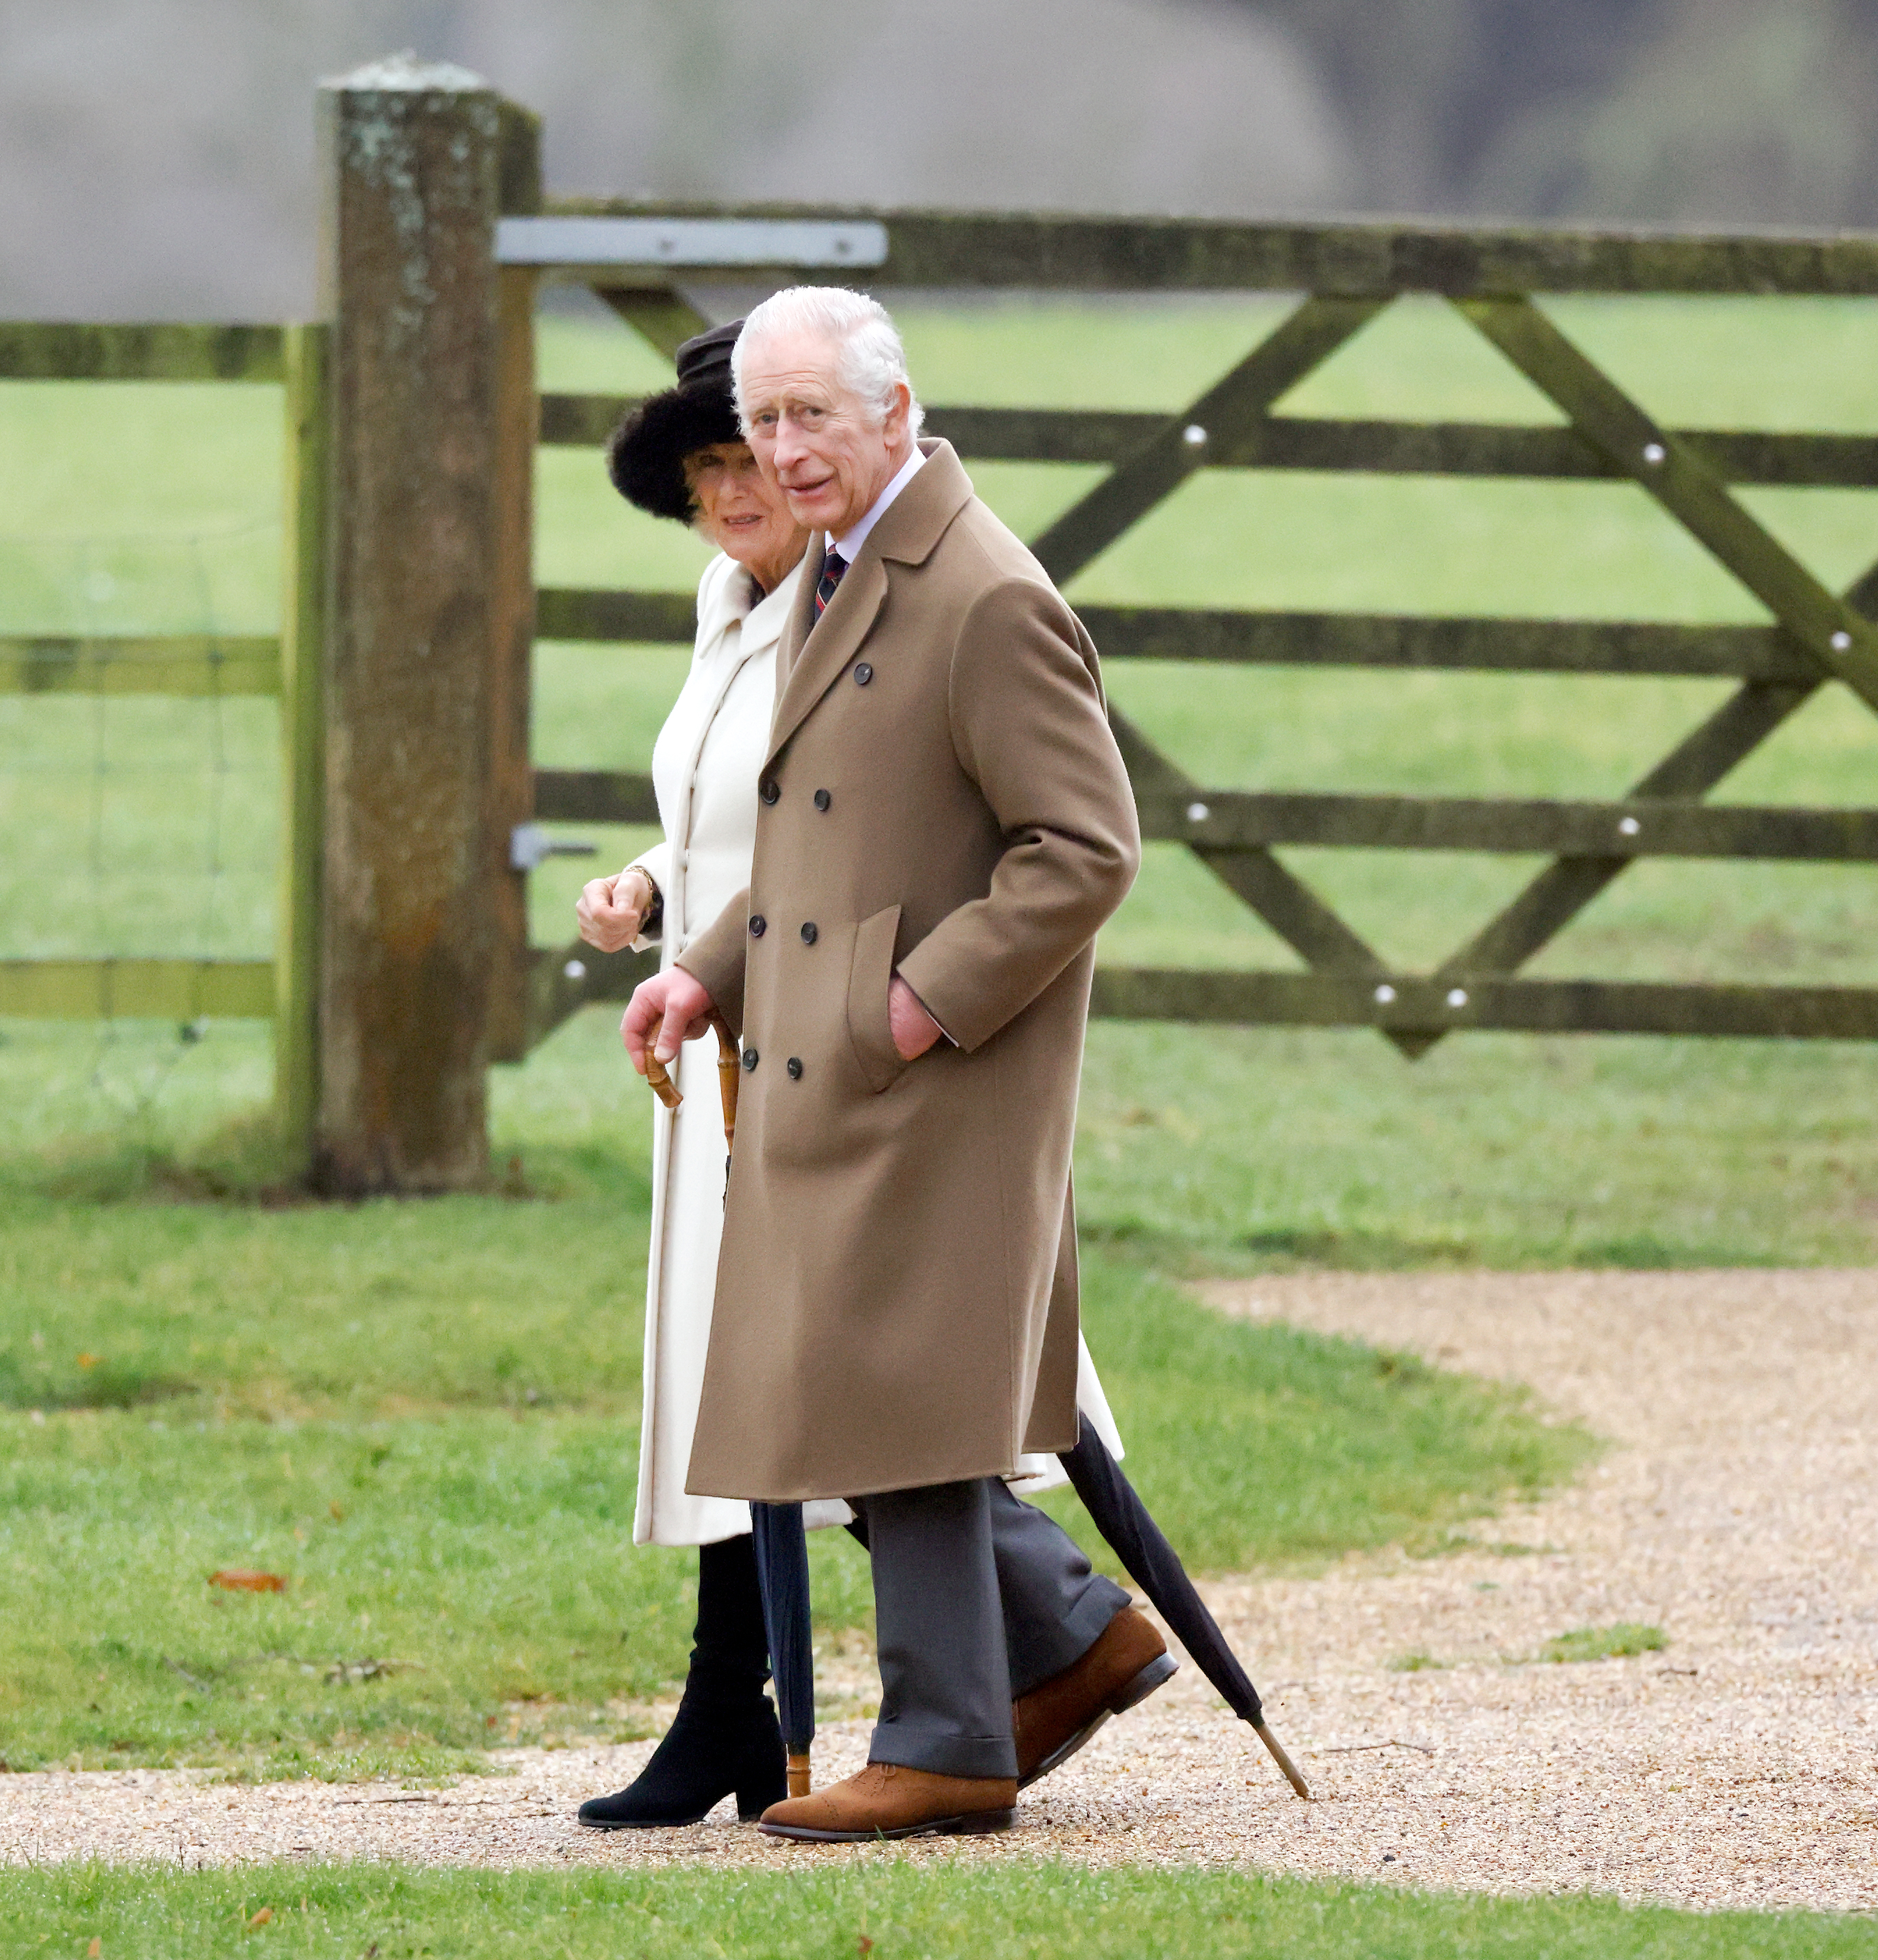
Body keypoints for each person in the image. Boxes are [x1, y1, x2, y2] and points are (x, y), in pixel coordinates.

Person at [621, 287, 1169, 1842]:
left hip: (932, 1064)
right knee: (839, 1370)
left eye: (809, 419)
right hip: (826, 1055)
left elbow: (1085, 846)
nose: (782, 452)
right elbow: (812, 840)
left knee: (886, 1377)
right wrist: (701, 977)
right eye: (765, 421)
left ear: (894, 413)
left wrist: (923, 1001)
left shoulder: (981, 592)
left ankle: (947, 1736)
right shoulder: (841, 574)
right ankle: (1060, 1639)